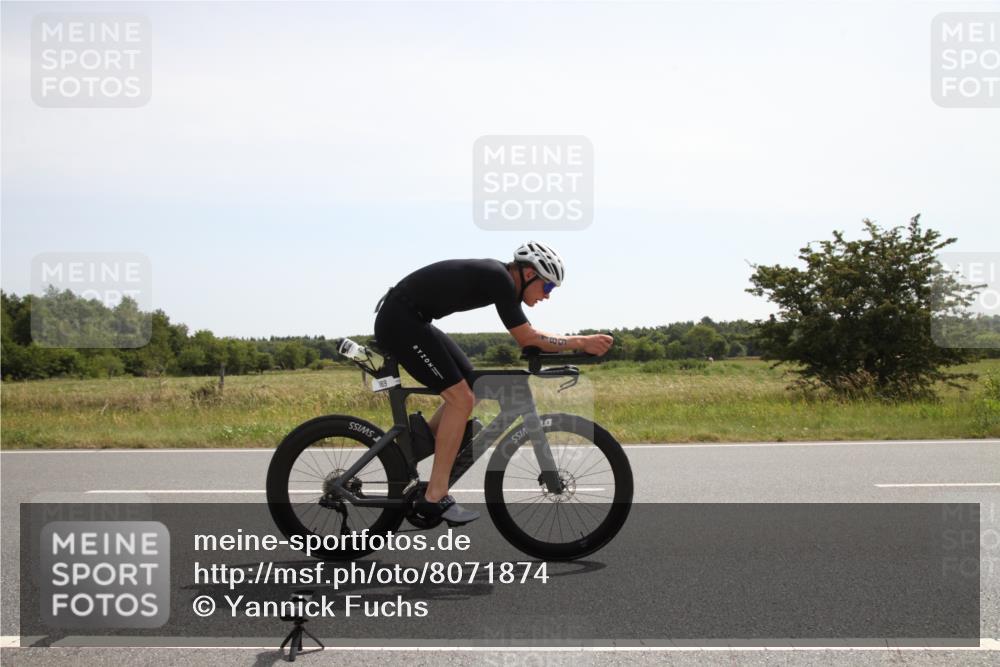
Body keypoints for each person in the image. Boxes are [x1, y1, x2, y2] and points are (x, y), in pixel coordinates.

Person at [373, 241, 613, 525]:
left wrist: (573, 345)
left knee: (474, 385)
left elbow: (529, 337)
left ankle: (420, 443)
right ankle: (435, 496)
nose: (547, 296)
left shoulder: (499, 278)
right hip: (400, 321)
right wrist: (581, 341)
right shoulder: (499, 279)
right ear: (528, 274)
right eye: (547, 287)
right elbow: (527, 337)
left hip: (413, 319)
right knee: (460, 399)